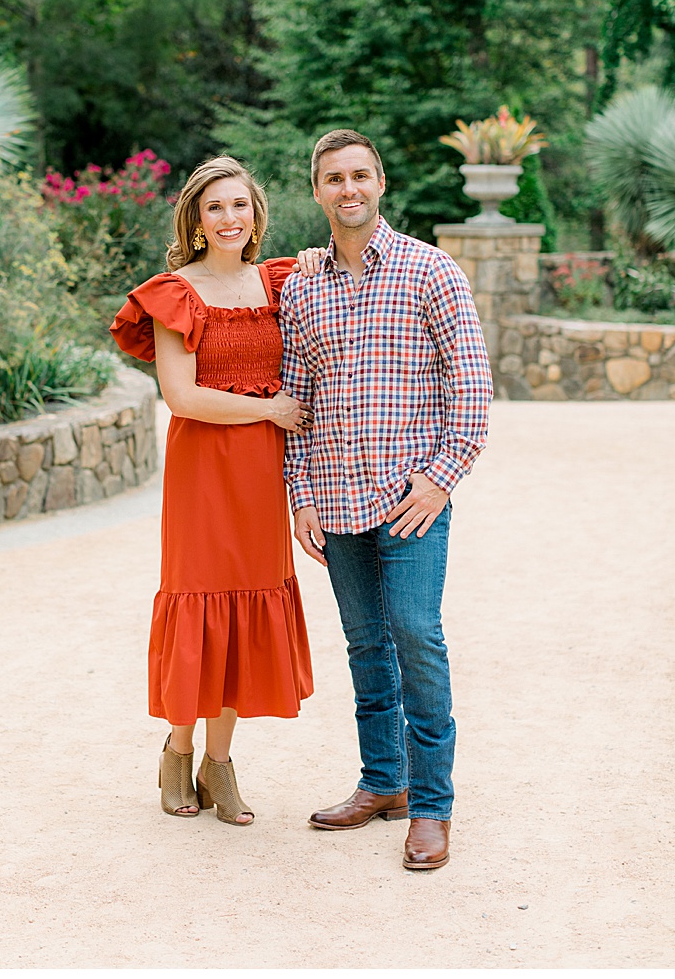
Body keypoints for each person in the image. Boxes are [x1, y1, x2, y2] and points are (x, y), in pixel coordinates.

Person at [278, 128, 493, 872]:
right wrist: (300, 494)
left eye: (360, 175)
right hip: (334, 502)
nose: (349, 189)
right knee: (366, 646)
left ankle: (432, 805)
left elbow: (472, 392)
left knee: (415, 635)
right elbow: (295, 400)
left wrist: (439, 480)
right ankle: (383, 783)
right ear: (317, 190)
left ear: (381, 182)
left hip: (411, 501)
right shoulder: (301, 284)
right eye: (333, 177)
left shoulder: (432, 272)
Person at [111, 155, 316, 826]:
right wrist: (268, 409)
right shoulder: (176, 293)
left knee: (246, 612)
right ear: (196, 221)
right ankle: (177, 750)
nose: (230, 218)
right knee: (200, 606)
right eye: (215, 208)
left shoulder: (280, 281)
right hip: (204, 473)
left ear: (257, 213)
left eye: (240, 205)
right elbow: (183, 396)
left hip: (262, 474)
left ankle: (218, 765)